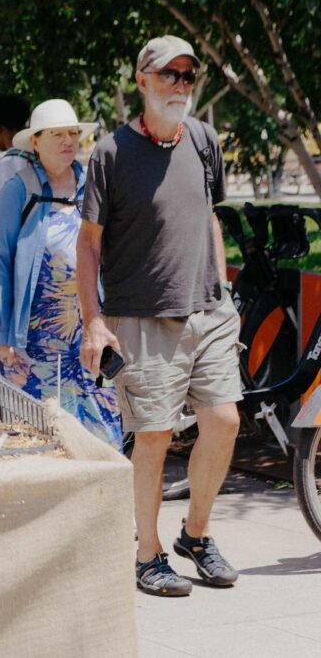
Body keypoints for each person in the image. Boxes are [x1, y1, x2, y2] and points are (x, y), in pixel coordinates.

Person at [79, 35, 241, 597]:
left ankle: (195, 536)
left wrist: (224, 293)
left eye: (187, 76)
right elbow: (89, 245)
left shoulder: (203, 140)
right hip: (142, 317)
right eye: (168, 74)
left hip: (208, 310)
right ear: (142, 80)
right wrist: (94, 320)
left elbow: (209, 216)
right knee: (154, 435)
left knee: (225, 421)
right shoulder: (110, 154)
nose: (179, 85)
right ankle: (147, 555)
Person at [0, 99, 121, 450]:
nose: (68, 141)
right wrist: (0, 335)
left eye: (73, 133)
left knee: (101, 430)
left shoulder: (92, 184)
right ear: (35, 141)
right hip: (35, 339)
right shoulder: (19, 189)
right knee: (42, 436)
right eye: (56, 134)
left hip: (89, 330)